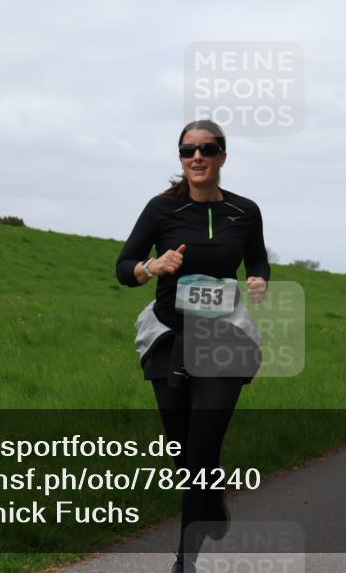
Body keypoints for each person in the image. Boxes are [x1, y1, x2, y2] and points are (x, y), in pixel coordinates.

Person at [115, 120, 270, 573]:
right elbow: (123, 267)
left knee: (201, 451)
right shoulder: (161, 209)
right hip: (169, 336)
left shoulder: (245, 211)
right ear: (181, 158)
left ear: (223, 155)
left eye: (207, 149)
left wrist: (260, 278)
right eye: (188, 151)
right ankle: (212, 493)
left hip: (224, 339)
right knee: (183, 455)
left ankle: (186, 559)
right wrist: (152, 266)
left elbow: (256, 257)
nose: (196, 157)